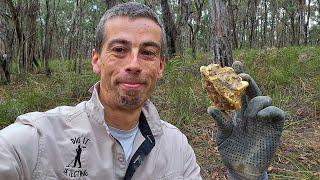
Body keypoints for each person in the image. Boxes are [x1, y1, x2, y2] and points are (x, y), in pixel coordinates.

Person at [0, 2, 284, 180]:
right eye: (119, 49)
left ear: (160, 66)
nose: (134, 64)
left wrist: (247, 177)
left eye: (147, 52)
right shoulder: (38, 138)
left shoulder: (177, 148)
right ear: (96, 59)